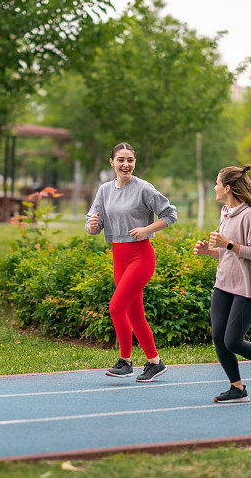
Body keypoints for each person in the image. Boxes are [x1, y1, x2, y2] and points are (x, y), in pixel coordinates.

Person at [193, 164, 251, 402]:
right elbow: (229, 253)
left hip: (245, 288)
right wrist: (209, 252)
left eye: (216, 183)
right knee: (218, 337)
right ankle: (237, 388)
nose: (214, 187)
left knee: (233, 340)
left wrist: (227, 245)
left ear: (227, 187)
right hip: (223, 283)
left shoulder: (250, 215)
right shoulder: (226, 212)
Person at [86, 142, 177, 382]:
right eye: (121, 160)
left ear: (134, 162)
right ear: (112, 162)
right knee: (134, 313)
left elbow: (170, 215)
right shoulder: (104, 190)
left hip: (141, 256)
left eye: (130, 160)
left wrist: (147, 229)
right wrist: (92, 226)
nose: (126, 164)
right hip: (119, 255)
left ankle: (125, 361)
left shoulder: (144, 188)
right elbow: (93, 222)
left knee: (116, 307)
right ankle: (154, 362)